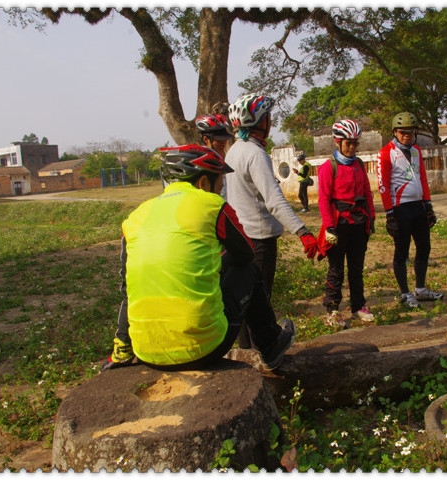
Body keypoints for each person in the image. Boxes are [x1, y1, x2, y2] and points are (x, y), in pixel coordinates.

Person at [101, 144, 295, 372]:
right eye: (220, 186)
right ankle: (270, 345)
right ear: (203, 182)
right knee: (248, 271)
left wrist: (122, 350)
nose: (220, 192)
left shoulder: (135, 217)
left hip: (146, 353)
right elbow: (246, 253)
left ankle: (123, 349)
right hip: (204, 349)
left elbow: (127, 291)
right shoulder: (213, 205)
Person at [225, 93, 318, 349]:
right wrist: (303, 231)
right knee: (260, 303)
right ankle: (266, 354)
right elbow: (274, 200)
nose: (271, 121)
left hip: (240, 238)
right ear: (260, 121)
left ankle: (247, 353)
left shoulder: (234, 151)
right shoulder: (256, 154)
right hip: (260, 241)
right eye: (268, 117)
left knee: (243, 301)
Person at [377, 112, 443, 309]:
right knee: (402, 252)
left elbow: (422, 178)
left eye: (410, 132)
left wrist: (428, 206)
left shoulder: (416, 150)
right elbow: (383, 185)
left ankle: (420, 289)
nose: (406, 136)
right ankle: (405, 293)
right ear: (395, 132)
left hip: (418, 206)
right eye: (402, 132)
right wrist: (389, 215)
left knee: (424, 248)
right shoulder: (386, 152)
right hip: (400, 208)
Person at [317, 119, 376, 328]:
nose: (352, 147)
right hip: (339, 224)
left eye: (355, 143)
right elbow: (323, 199)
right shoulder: (328, 167)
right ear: (338, 142)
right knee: (336, 269)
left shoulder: (359, 164)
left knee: (356, 269)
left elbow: (367, 192)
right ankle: (332, 309)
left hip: (359, 222)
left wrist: (371, 218)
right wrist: (329, 227)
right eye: (348, 143)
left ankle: (358, 305)